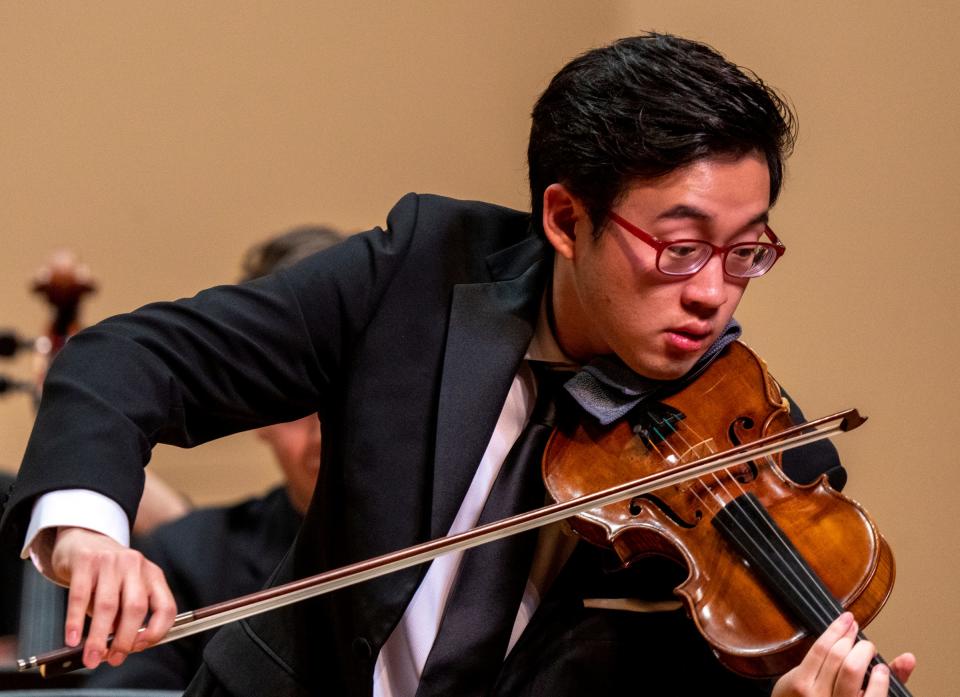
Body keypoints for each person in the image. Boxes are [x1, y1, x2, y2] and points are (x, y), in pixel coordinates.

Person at [0, 33, 915, 696]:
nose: (716, 293)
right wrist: (88, 532)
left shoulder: (776, 467)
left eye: (748, 251)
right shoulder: (419, 273)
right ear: (564, 220)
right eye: (680, 248)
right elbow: (136, 356)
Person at [84, 226, 341, 690]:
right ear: (260, 405)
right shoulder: (187, 559)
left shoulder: (468, 543)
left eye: (349, 386)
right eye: (303, 396)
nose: (327, 424)